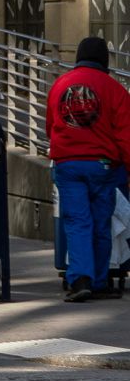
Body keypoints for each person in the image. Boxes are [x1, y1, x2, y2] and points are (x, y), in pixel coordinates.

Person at [45, 36, 130, 304]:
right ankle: (100, 280)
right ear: (105, 59)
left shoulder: (60, 85)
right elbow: (125, 136)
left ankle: (80, 278)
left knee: (77, 222)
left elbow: (51, 126)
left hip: (68, 163)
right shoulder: (115, 89)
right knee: (100, 223)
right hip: (103, 165)